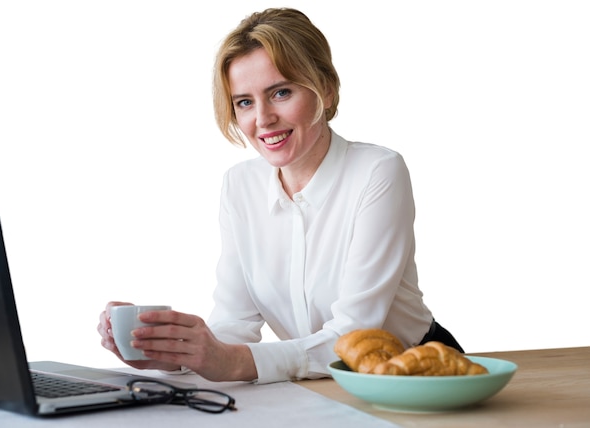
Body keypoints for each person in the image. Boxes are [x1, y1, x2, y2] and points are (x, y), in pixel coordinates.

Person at [97, 7, 463, 384]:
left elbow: (354, 334)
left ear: (325, 89)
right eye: (244, 102)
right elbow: (234, 326)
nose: (263, 118)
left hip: (419, 375)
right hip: (318, 385)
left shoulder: (377, 171)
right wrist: (170, 351)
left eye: (281, 92)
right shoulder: (240, 185)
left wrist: (234, 362)